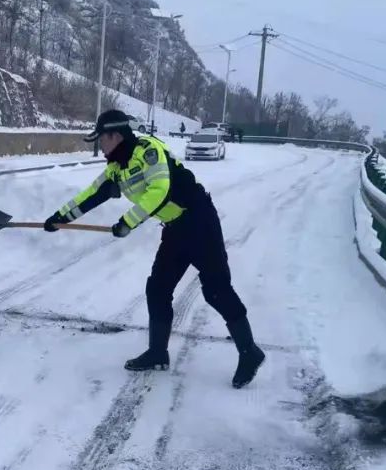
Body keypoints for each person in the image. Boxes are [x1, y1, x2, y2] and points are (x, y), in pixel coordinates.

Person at [44, 109, 266, 388]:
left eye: (101, 138)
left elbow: (159, 189)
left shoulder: (149, 151)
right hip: (174, 229)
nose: (100, 144)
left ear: (115, 135)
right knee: (158, 289)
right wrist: (59, 218)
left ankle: (250, 352)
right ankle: (158, 352)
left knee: (216, 290)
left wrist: (127, 222)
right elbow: (90, 195)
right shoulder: (117, 168)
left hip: (199, 221)